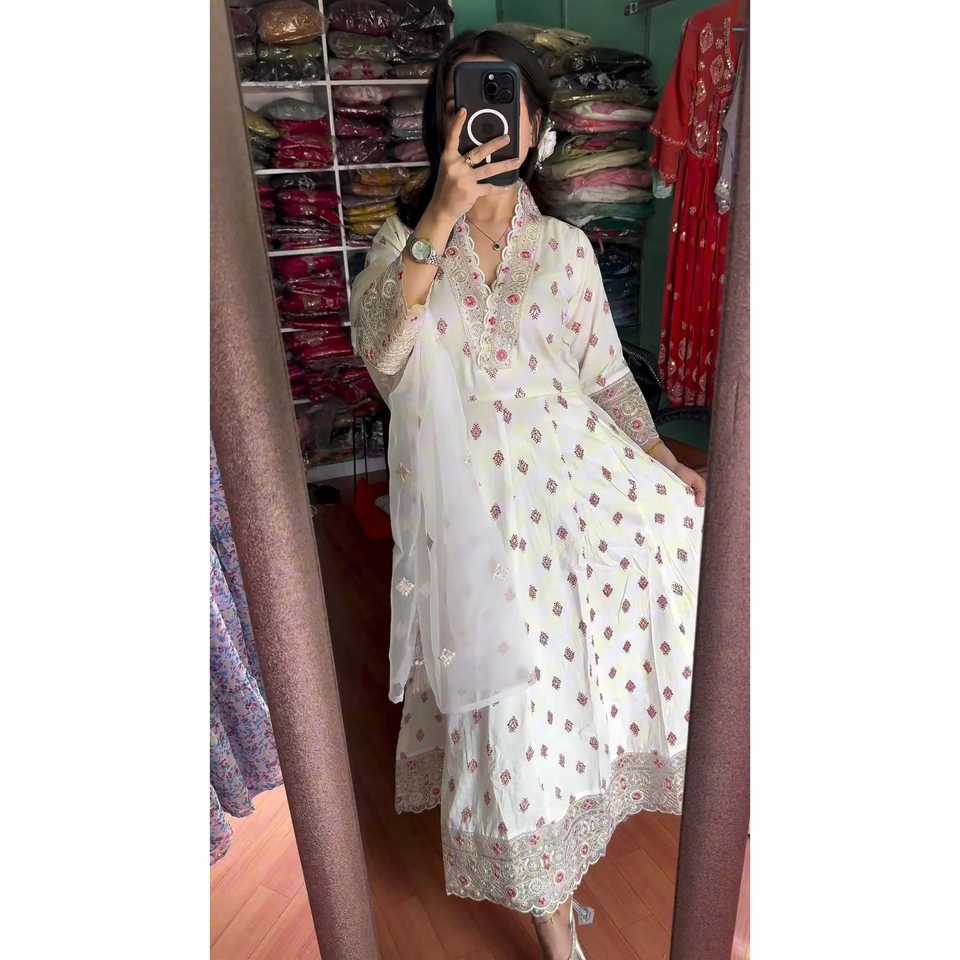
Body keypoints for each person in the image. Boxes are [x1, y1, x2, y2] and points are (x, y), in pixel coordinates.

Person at [350, 29, 707, 960]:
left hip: (575, 485)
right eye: (461, 102)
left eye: (503, 100)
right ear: (441, 122)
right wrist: (441, 215)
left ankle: (583, 833)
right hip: (474, 508)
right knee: (509, 699)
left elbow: (605, 376)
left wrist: (660, 460)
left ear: (538, 121)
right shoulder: (403, 242)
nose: (483, 120)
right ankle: (550, 911)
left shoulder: (568, 249)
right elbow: (383, 353)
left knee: (632, 597)